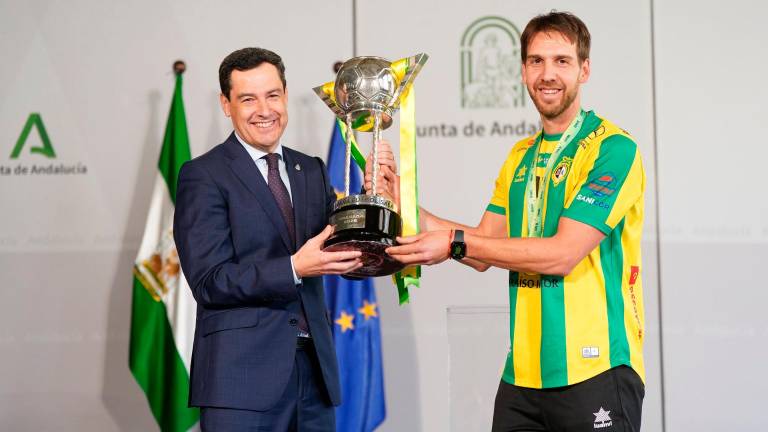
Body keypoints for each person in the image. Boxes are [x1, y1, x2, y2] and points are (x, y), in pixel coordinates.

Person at [378, 11, 646, 432]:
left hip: (595, 371)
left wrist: (453, 242)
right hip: (521, 377)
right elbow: (483, 245)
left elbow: (562, 254)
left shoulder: (613, 149)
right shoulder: (520, 156)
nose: (548, 74)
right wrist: (404, 207)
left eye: (562, 61)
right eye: (536, 61)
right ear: (523, 72)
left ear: (585, 69)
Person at [173, 47, 370, 431]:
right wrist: (295, 267)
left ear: (284, 95)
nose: (264, 109)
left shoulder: (310, 170)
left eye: (273, 95)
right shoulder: (203, 175)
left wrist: (382, 201)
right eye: (248, 98)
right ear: (226, 105)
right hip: (240, 385)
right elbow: (210, 282)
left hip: (314, 379)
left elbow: (347, 251)